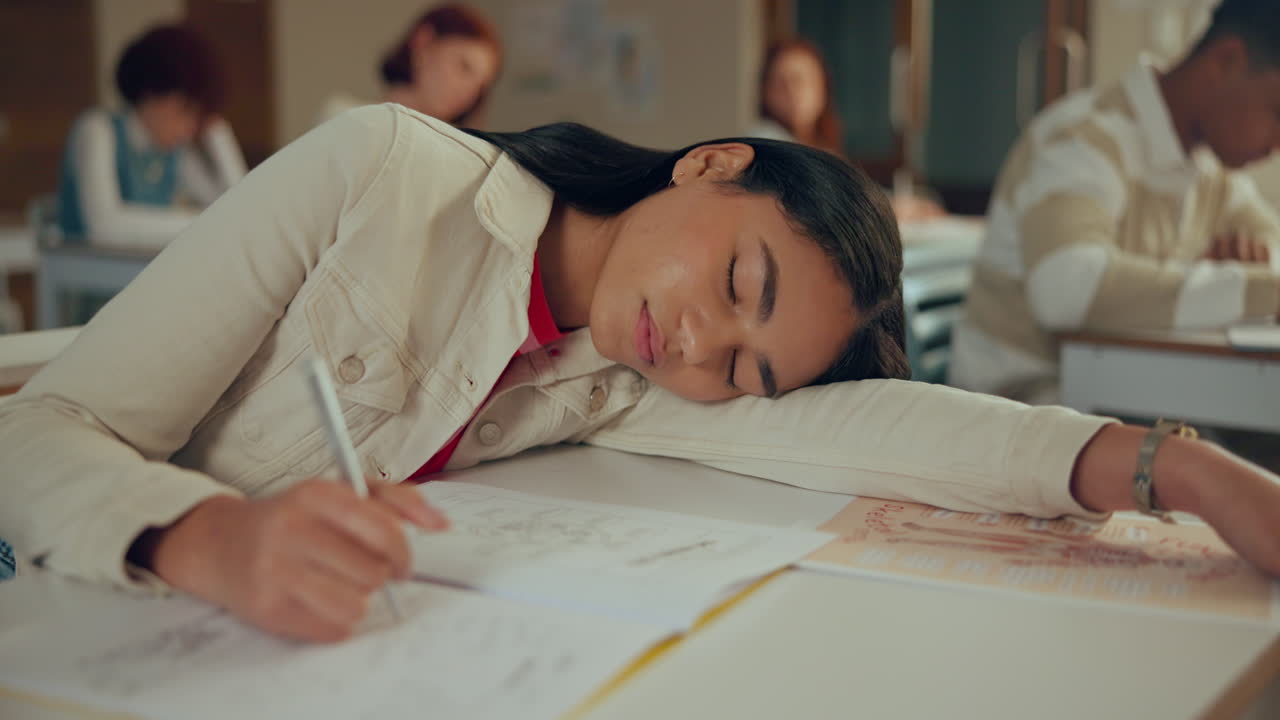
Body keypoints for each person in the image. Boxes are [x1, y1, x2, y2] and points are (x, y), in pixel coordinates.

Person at [2, 103, 1278, 645]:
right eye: (737, 287)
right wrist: (211, 539)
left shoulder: (623, 373)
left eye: (745, 367)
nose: (705, 353)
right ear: (711, 164)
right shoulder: (387, 175)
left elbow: (875, 428)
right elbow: (44, 428)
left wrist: (1179, 471)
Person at [950, 0, 1280, 404]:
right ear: (1226, 61)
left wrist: (1241, 274)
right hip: (1016, 406)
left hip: (1119, 393)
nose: (1278, 143)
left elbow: (1272, 240)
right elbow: (1066, 289)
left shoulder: (1208, 165)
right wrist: (1256, 290)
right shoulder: (1084, 138)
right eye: (1278, 112)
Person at [56, 24, 246, 251]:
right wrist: (203, 223)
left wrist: (219, 133)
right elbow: (104, 227)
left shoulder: (174, 151)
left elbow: (236, 208)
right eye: (185, 111)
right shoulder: (97, 130)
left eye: (198, 119)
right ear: (152, 92)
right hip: (85, 279)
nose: (189, 129)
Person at [750, 37, 944, 222]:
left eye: (800, 80)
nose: (792, 93)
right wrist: (890, 207)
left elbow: (849, 189)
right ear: (766, 91)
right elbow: (825, 199)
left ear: (822, 86)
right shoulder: (764, 140)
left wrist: (902, 204)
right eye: (781, 83)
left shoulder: (820, 143)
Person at [319, 3, 502, 127]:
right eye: (464, 67)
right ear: (423, 43)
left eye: (480, 86)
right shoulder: (343, 117)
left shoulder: (463, 152)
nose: (469, 92)